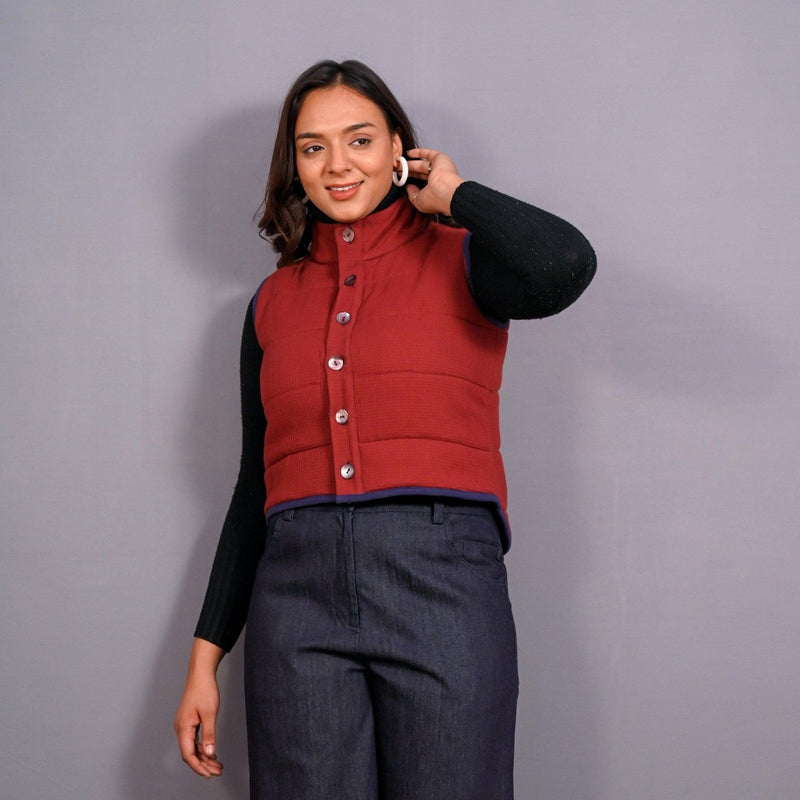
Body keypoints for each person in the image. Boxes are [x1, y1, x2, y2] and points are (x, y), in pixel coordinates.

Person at [174, 59, 596, 800]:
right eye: (312, 147)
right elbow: (255, 485)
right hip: (293, 596)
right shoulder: (271, 305)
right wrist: (205, 658)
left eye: (360, 139)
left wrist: (458, 196)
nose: (337, 165)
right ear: (293, 164)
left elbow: (566, 264)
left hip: (440, 580)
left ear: (399, 146)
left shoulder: (467, 259)